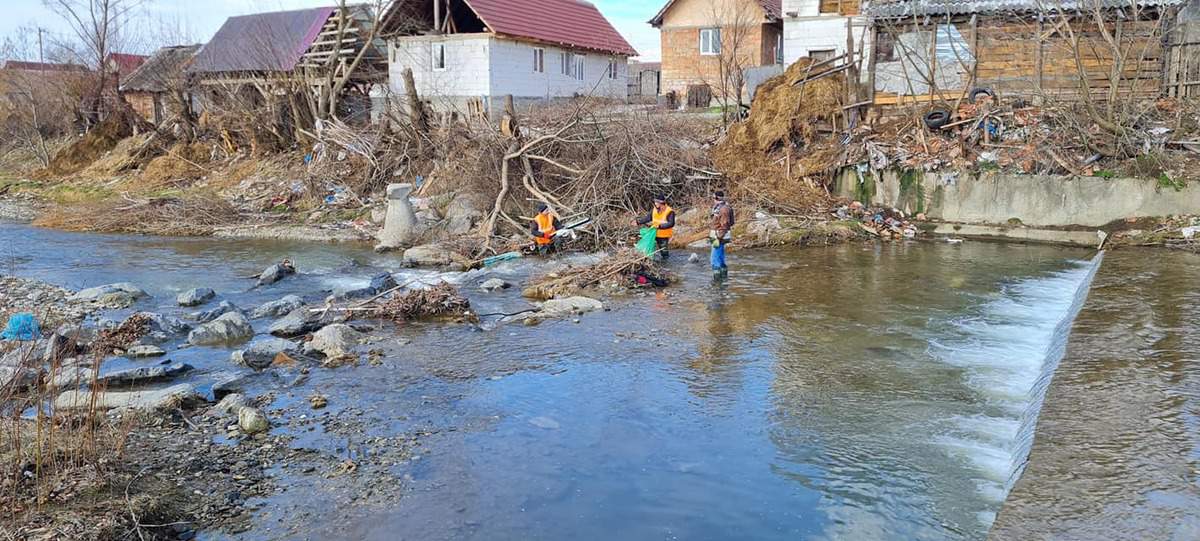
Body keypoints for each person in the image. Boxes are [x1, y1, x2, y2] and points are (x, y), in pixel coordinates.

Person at [634, 194, 675, 260]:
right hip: (653, 233)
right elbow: (648, 218)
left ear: (661, 203)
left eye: (657, 202)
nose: (655, 204)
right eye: (655, 202)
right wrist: (638, 222)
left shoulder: (669, 211)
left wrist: (660, 226)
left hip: (663, 236)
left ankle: (666, 264)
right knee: (648, 248)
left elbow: (671, 223)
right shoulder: (654, 209)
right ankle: (646, 260)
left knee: (664, 254)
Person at [709, 191, 734, 278]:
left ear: (716, 198)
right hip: (717, 235)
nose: (713, 200)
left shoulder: (723, 209)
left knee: (714, 260)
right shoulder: (719, 208)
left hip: (719, 236)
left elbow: (725, 225)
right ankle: (723, 278)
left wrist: (718, 238)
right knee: (720, 258)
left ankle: (717, 282)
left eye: (713, 198)